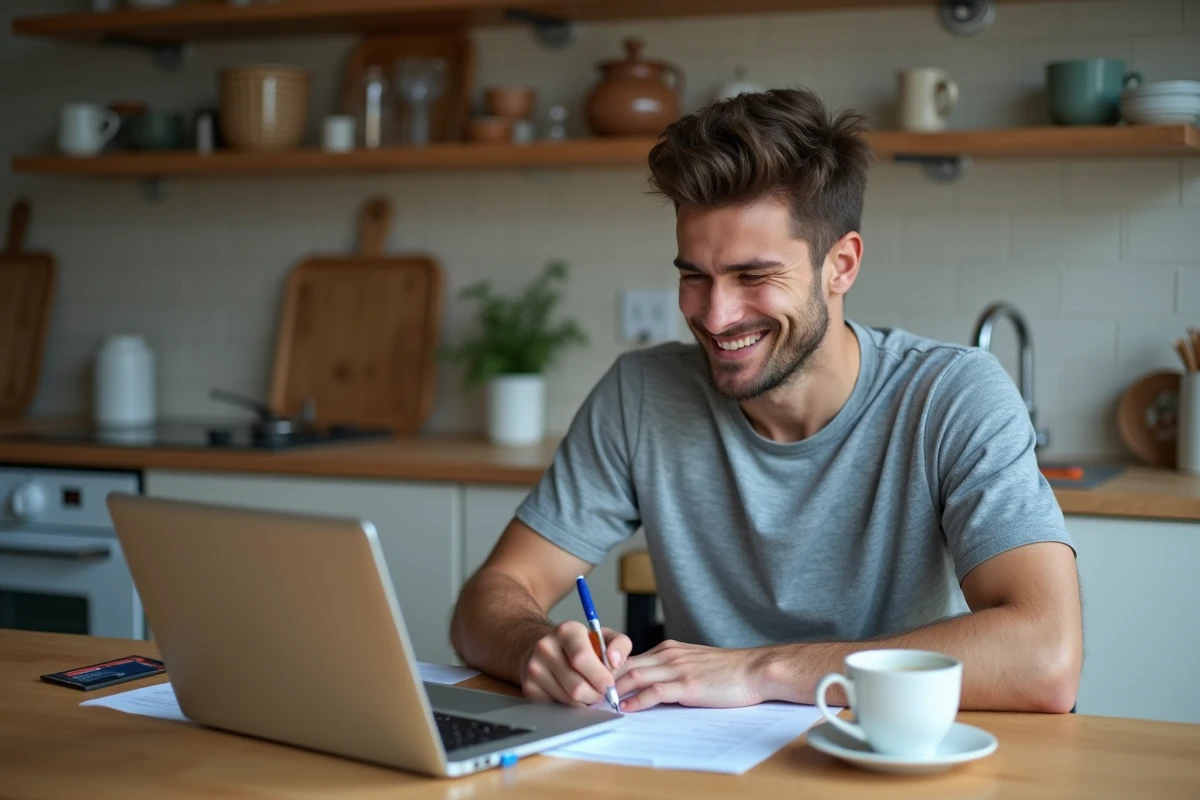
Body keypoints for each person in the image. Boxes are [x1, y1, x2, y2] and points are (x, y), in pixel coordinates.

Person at [449, 87, 1082, 715]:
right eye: (694, 275)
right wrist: (537, 646)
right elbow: (492, 598)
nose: (717, 316)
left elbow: (1046, 656)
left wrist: (761, 670)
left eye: (753, 276)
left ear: (841, 265)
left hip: (886, 758)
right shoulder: (640, 395)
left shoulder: (953, 395)